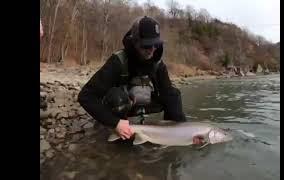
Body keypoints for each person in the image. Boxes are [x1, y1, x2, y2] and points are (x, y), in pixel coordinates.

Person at [78, 16, 203, 144]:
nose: (152, 49)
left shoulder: (157, 63)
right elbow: (86, 96)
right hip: (118, 106)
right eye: (147, 45)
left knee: (173, 95)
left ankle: (170, 136)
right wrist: (115, 123)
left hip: (142, 103)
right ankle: (120, 135)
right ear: (135, 42)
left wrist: (186, 134)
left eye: (155, 44)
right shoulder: (117, 61)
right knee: (117, 98)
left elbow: (168, 94)